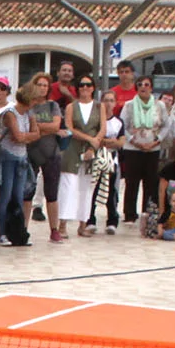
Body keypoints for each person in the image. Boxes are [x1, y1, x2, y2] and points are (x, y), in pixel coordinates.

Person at [0, 85, 39, 247]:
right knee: (5, 196)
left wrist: (24, 137)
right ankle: (2, 233)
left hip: (22, 158)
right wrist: (25, 137)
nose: (36, 103)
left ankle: (17, 232)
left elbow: (35, 134)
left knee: (19, 196)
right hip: (7, 157)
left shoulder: (29, 114)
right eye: (34, 99)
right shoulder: (10, 113)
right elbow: (18, 136)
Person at [62, 75, 107, 236]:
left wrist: (94, 145)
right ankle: (63, 225)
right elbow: (69, 128)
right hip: (72, 150)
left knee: (86, 188)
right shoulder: (71, 107)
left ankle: (83, 224)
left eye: (88, 85)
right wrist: (90, 139)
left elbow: (102, 128)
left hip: (91, 151)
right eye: (82, 85)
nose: (85, 88)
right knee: (68, 187)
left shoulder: (99, 106)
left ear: (93, 88)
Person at [120, 75, 165, 231]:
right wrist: (133, 140)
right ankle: (130, 214)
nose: (143, 87)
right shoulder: (129, 105)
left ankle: (148, 212)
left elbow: (166, 125)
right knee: (131, 182)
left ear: (151, 87)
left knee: (151, 181)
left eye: (146, 84)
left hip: (152, 147)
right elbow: (123, 125)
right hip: (133, 147)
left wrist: (157, 140)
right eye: (140, 84)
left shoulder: (159, 106)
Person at [27, 80, 66, 240]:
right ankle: (23, 228)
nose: (42, 88)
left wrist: (38, 127)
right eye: (39, 84)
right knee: (27, 192)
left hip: (51, 153)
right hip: (31, 151)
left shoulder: (53, 106)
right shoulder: (28, 105)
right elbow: (27, 126)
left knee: (52, 193)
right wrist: (45, 128)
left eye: (45, 85)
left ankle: (54, 229)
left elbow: (56, 126)